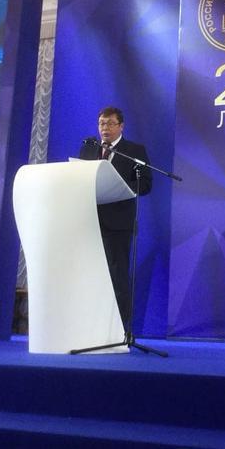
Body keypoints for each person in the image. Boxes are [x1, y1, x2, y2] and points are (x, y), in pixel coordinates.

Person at [79, 106, 152, 329]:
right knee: (91, 274)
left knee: (117, 274)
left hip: (118, 223)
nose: (105, 128)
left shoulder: (134, 150)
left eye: (110, 123)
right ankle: (92, 324)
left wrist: (119, 186)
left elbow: (146, 185)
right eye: (102, 123)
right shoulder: (89, 148)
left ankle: (119, 328)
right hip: (89, 221)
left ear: (121, 126)